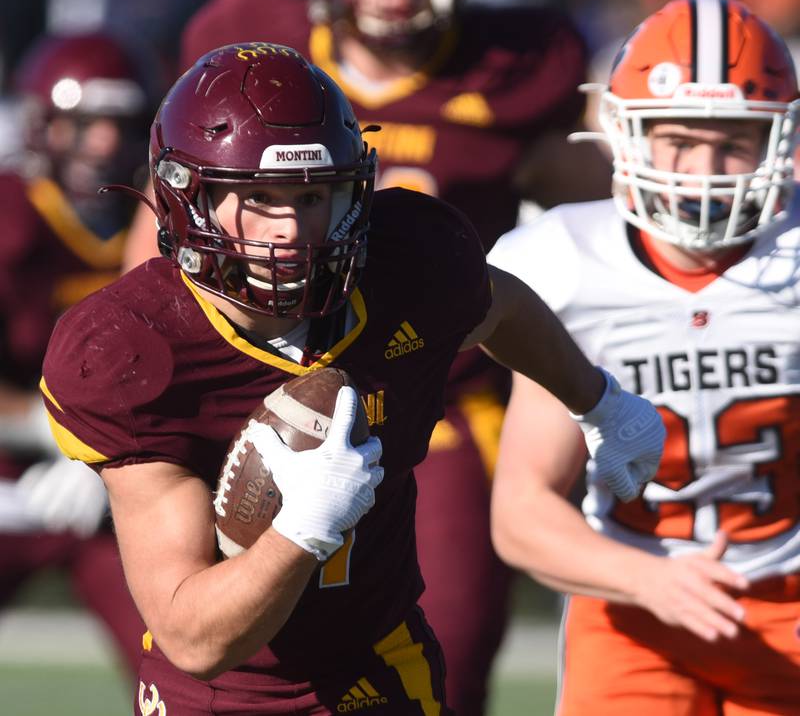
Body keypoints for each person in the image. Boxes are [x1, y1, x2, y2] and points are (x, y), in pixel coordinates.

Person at [39, 43, 663, 715]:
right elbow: (193, 635)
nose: (290, 230)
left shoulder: (407, 261)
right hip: (216, 692)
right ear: (190, 198)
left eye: (312, 195)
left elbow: (500, 305)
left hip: (375, 662)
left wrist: (597, 401)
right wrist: (303, 528)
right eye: (257, 198)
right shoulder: (132, 351)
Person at [488, 0, 800, 715]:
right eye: (679, 141)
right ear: (625, 136)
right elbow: (523, 511)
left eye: (732, 143)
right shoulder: (565, 265)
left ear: (776, 143)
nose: (703, 170)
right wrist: (647, 579)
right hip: (632, 605)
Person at [0, 31, 156, 676]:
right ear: (42, 126)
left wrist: (108, 462)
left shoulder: (160, 219)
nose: (101, 144)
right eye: (81, 124)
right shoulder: (13, 214)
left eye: (116, 125)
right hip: (14, 470)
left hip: (120, 475)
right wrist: (48, 429)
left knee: (182, 654)